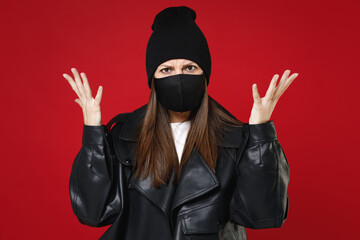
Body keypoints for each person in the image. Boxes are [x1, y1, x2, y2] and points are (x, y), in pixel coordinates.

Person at [64, 6, 297, 240]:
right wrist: (93, 133)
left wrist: (260, 133)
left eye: (189, 67)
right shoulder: (123, 136)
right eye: (166, 69)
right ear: (153, 79)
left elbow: (261, 214)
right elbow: (92, 212)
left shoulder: (235, 137)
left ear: (204, 75)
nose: (178, 77)